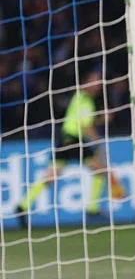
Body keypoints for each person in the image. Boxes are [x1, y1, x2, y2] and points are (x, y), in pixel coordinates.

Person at [16, 71, 125, 228]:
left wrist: (101, 119)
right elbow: (86, 126)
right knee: (100, 170)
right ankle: (92, 209)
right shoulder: (84, 99)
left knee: (54, 175)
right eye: (95, 80)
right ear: (86, 81)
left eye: (99, 81)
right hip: (73, 140)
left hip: (67, 139)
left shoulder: (82, 98)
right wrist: (98, 142)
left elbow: (86, 120)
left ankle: (22, 206)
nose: (98, 84)